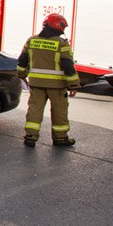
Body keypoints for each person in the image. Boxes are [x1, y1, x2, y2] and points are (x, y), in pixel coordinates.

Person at [16, 13, 80, 147]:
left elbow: (22, 60)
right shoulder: (61, 43)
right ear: (59, 26)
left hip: (36, 84)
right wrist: (73, 85)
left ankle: (30, 137)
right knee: (59, 112)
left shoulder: (31, 40)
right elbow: (68, 66)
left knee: (34, 110)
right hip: (57, 86)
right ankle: (60, 138)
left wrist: (21, 75)